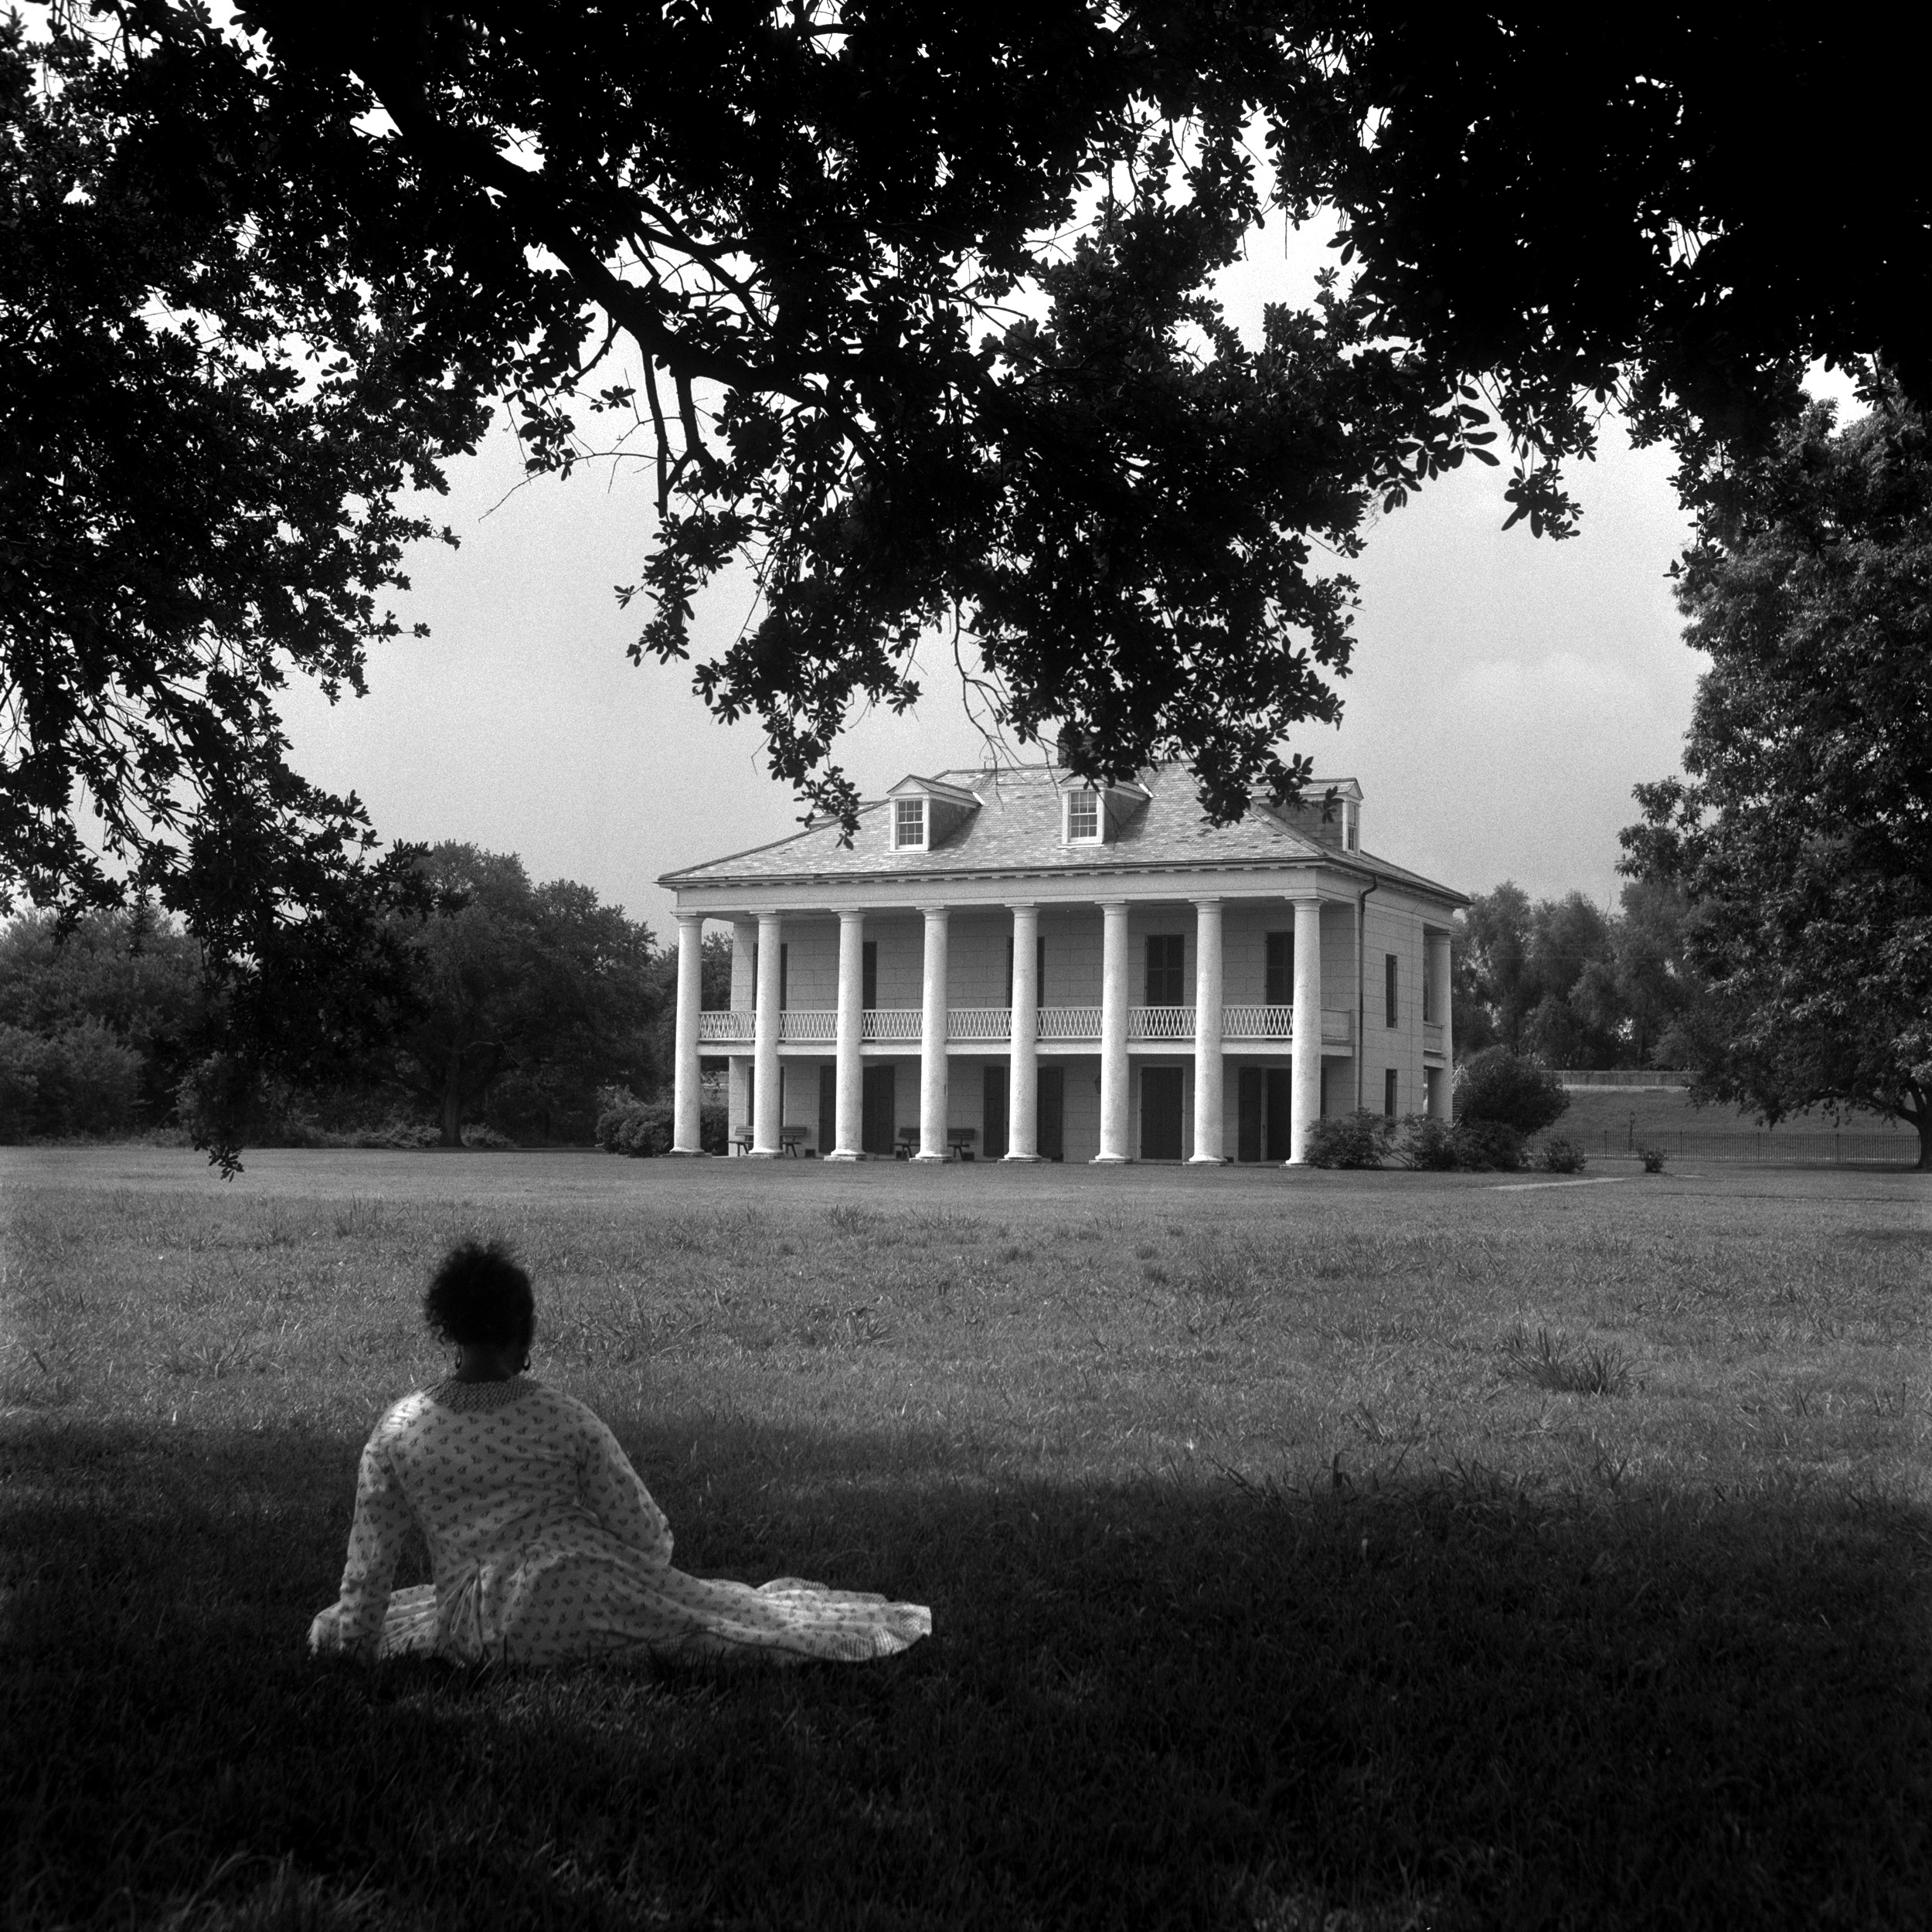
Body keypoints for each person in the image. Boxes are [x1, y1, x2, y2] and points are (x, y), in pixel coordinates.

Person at [308, 1240, 930, 1667]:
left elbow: (370, 1564)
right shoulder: (562, 1418)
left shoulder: (399, 1429)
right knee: (723, 1618)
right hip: (574, 1594)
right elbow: (647, 1537)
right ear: (523, 1330)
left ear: (448, 1328)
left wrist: (356, 1648)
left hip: (470, 1628)